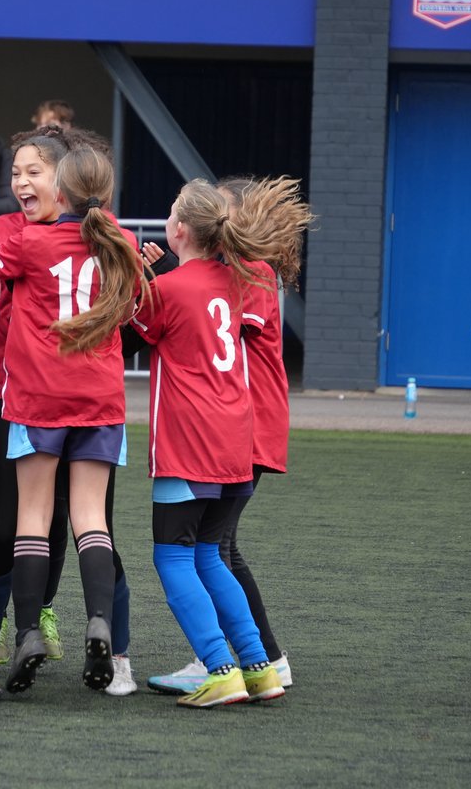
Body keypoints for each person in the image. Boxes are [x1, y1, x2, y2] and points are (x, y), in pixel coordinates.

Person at [0, 146, 149, 696]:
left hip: (38, 399)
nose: (22, 183)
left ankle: (30, 630)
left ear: (61, 189)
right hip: (101, 399)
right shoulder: (124, 243)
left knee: (32, 519)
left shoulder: (30, 241)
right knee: (91, 520)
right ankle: (99, 622)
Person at [129, 177, 308, 707]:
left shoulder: (181, 286)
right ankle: (259, 666)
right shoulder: (237, 278)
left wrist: (137, 274)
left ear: (180, 227)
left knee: (174, 557)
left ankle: (219, 665)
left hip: (191, 439)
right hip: (235, 436)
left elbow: (128, 323)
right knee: (211, 553)